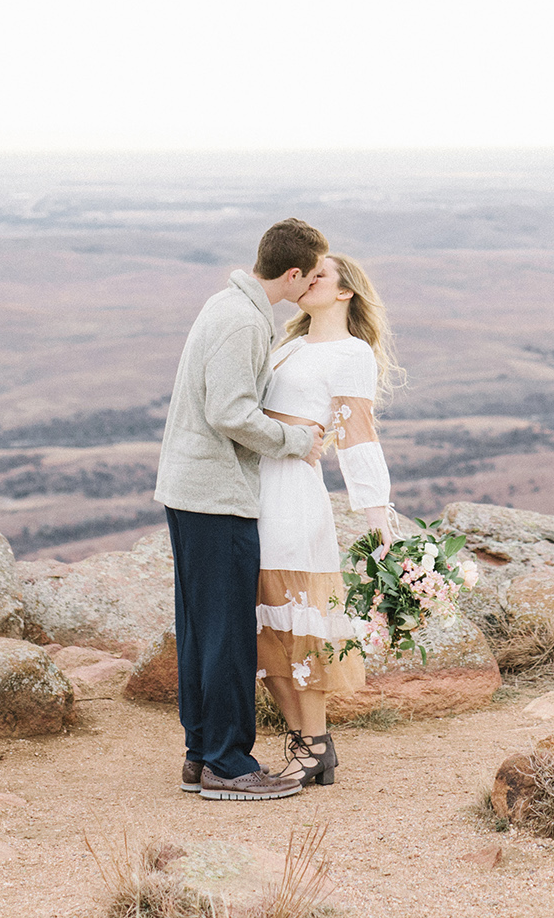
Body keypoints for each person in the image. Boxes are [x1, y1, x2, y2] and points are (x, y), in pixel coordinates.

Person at [153, 218, 330, 802]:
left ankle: (201, 755)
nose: (313, 290)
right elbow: (231, 413)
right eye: (312, 277)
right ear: (295, 274)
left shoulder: (225, 305)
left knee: (203, 630)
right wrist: (297, 442)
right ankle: (229, 764)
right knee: (227, 634)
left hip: (193, 492)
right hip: (217, 495)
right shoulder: (245, 321)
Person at [255, 252, 402, 786]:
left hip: (294, 494)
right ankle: (307, 743)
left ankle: (313, 741)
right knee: (263, 625)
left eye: (320, 275)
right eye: (304, 273)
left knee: (300, 623)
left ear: (345, 293)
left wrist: (377, 521)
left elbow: (358, 439)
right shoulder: (289, 345)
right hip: (255, 490)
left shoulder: (351, 353)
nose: (307, 279)